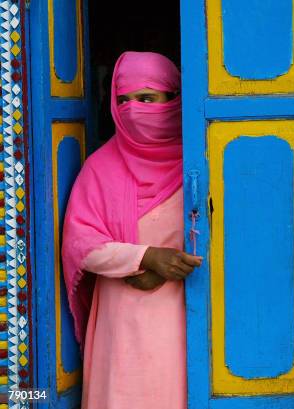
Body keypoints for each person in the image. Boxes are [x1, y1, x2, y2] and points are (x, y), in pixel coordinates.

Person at [61, 51, 202, 409]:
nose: (134, 109)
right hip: (122, 320)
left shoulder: (202, 160)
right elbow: (82, 244)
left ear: (175, 97)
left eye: (147, 98)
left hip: (189, 313)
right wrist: (146, 257)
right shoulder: (100, 167)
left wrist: (174, 270)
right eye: (124, 100)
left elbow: (235, 229)